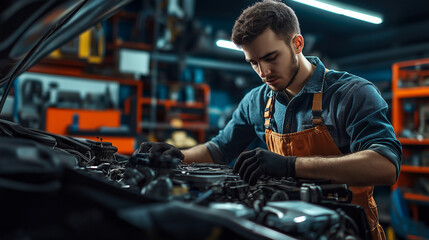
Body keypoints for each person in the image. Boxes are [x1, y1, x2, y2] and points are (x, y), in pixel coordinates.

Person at [137, 1, 402, 239]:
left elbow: (386, 165)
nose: (263, 72)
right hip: (280, 226)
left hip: (346, 229)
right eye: (253, 63)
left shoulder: (352, 94)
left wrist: (289, 166)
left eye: (270, 58)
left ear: (297, 44)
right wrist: (178, 156)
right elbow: (219, 149)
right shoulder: (256, 101)